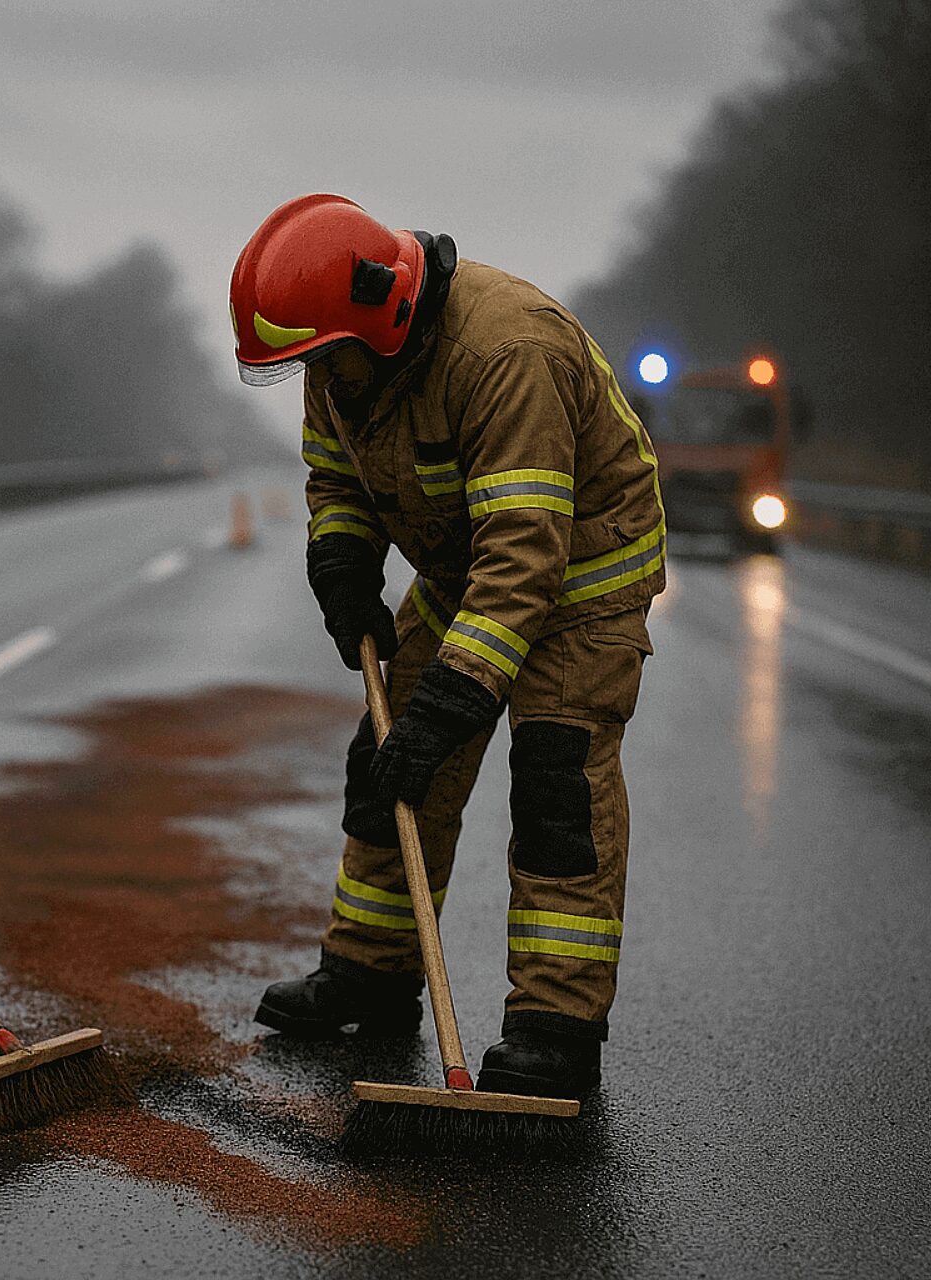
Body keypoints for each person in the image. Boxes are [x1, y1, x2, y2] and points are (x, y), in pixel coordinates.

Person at [234, 194, 664, 1100]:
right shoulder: (341, 358)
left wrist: (457, 693)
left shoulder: (509, 351)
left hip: (581, 582)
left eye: (321, 359)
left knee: (557, 789)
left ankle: (557, 1025)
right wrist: (342, 559)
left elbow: (525, 548)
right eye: (305, 364)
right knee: (391, 761)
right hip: (468, 572)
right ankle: (370, 970)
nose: (318, 378)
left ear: (380, 317)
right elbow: (338, 475)